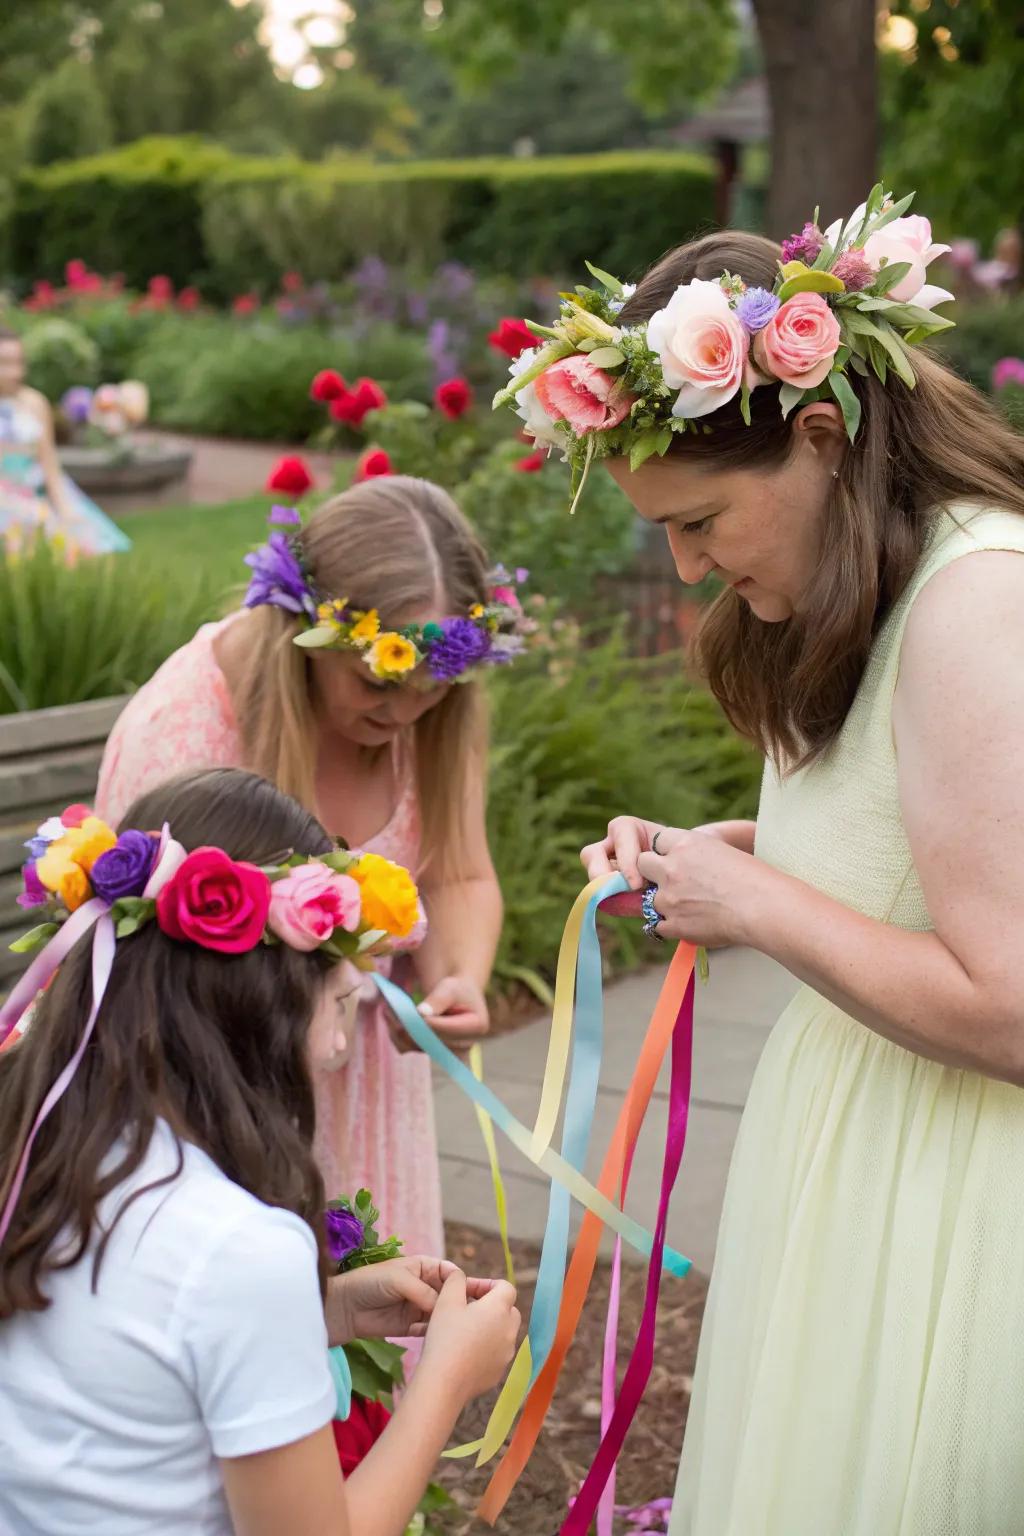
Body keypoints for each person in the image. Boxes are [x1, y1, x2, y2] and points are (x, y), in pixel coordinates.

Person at [501, 193, 1024, 1532]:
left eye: (700, 523)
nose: (684, 569)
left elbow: (1013, 1002)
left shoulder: (979, 604)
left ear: (823, 435)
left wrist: (763, 904)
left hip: (953, 1187)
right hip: (856, 1145)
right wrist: (718, 863)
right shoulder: (880, 580)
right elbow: (907, 850)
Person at [0, 768, 519, 1536]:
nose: (341, 1042)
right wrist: (447, 1380)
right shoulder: (237, 1248)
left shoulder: (45, 1143)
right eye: (339, 1001)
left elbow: (129, 1365)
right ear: (261, 1003)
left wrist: (322, 1312)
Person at [96, 477, 526, 1260]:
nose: (404, 716)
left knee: (378, 1349)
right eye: (377, 684)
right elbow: (143, 981)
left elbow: (457, 873)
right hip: (219, 1105)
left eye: (435, 693)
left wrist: (457, 977)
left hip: (369, 1097)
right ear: (304, 630)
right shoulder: (186, 729)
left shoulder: (430, 720)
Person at [0, 326, 130, 555]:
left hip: (36, 490)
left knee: (79, 540)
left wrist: (64, 506)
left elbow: (48, 461)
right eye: (5, 363)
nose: (15, 372)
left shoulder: (35, 403)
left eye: (19, 362)